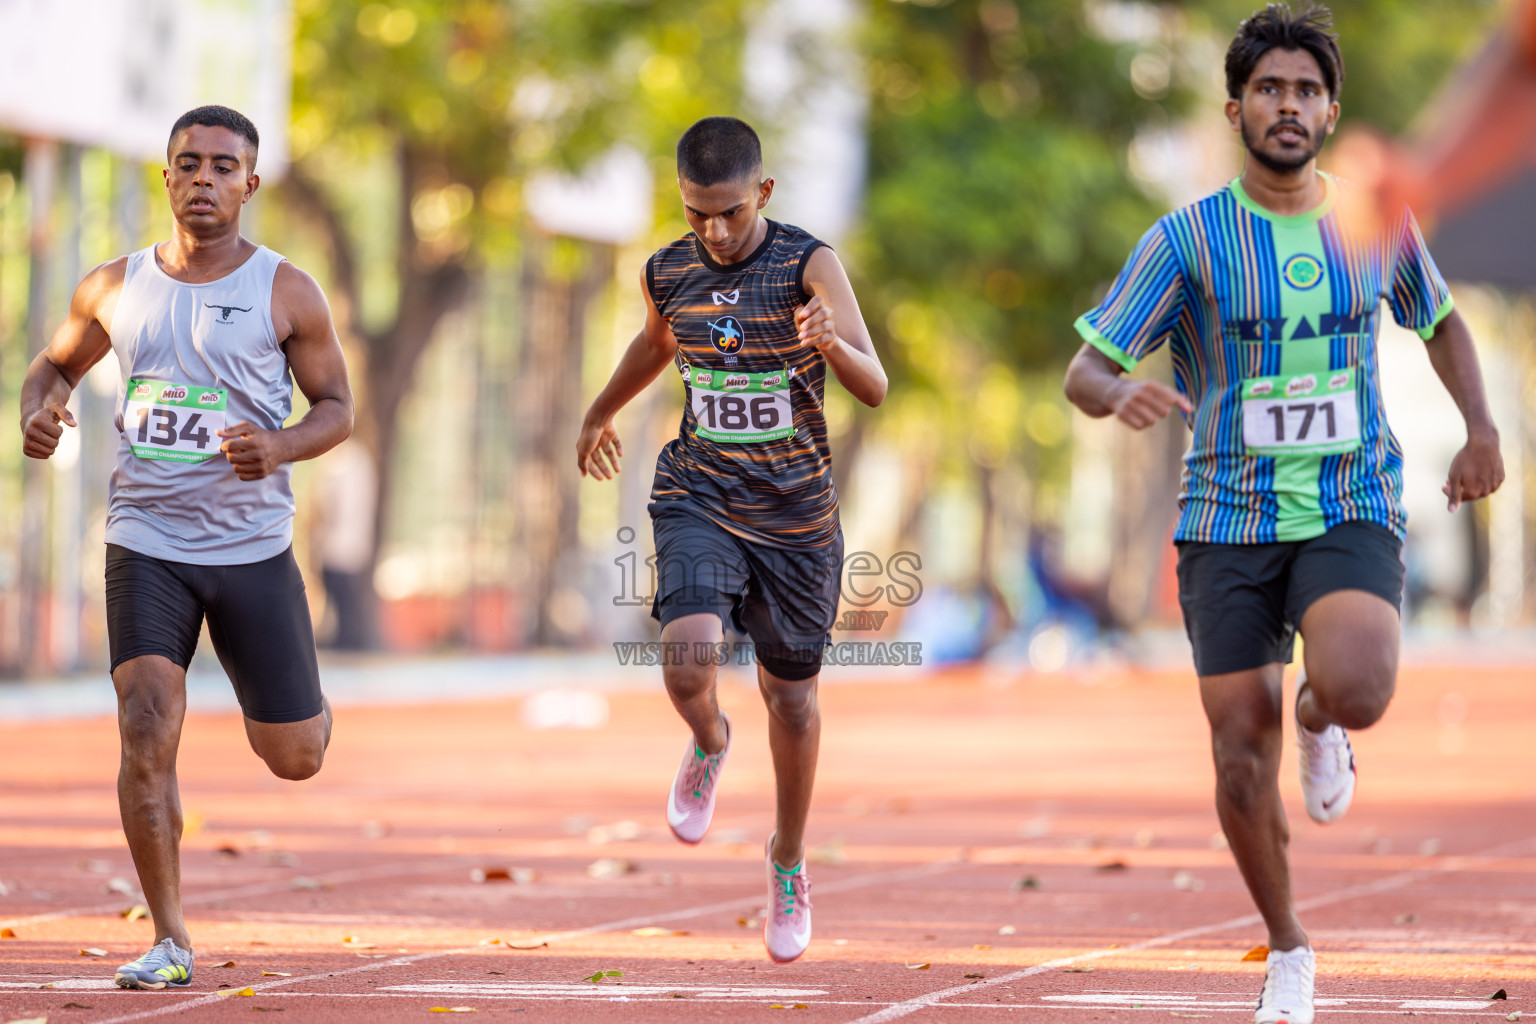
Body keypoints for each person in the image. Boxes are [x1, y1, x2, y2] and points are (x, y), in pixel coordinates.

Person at [1062, 6, 1503, 1023]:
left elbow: (1440, 321)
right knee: (1234, 750)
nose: (1289, 106)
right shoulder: (1185, 239)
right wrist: (1114, 393)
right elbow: (1087, 366)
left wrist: (1480, 427)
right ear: (1237, 109)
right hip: (1225, 520)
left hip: (1347, 498)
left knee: (1354, 687)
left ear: (1332, 110)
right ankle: (1291, 948)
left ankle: (1321, 720)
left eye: (1306, 90)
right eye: (1270, 89)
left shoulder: (1374, 220)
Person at [19, 105, 354, 991]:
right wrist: (38, 411)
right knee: (144, 727)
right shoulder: (114, 286)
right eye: (187, 164)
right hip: (146, 540)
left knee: (294, 757)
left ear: (251, 183)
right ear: (166, 177)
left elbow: (337, 409)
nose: (203, 179)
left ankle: (310, 711)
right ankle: (170, 938)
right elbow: (53, 365)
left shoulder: (289, 291)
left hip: (250, 548)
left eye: (222, 166)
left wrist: (278, 446)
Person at [576, 116, 886, 963]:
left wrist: (833, 345)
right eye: (695, 214)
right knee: (686, 663)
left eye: (731, 214)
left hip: (796, 520)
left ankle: (787, 856)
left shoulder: (806, 262)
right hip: (700, 493)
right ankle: (711, 738)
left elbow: (875, 384)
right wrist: (601, 409)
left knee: (792, 700)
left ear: (765, 193)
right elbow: (655, 342)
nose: (713, 231)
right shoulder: (667, 269)